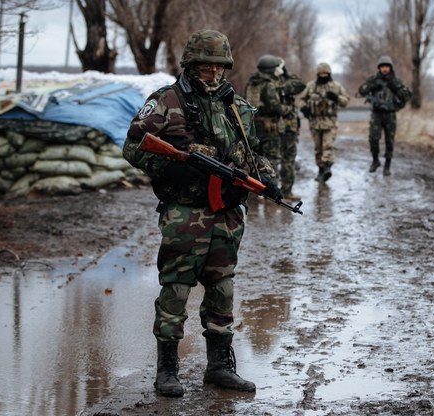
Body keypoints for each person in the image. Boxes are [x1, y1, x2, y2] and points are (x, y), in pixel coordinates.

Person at [122, 29, 282, 397]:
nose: (212, 74)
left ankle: (220, 366)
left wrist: (269, 179)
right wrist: (171, 167)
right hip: (184, 212)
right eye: (205, 67)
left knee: (222, 287)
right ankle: (167, 370)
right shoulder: (167, 100)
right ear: (190, 65)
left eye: (218, 67)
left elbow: (253, 154)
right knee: (176, 287)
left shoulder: (237, 107)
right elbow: (133, 147)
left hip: (226, 212)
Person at [358, 55, 412, 176]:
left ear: (390, 67)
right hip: (376, 114)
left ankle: (387, 166)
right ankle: (375, 161)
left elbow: (407, 95)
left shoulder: (396, 81)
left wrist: (396, 88)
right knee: (373, 138)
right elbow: (361, 90)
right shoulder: (373, 79)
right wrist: (372, 86)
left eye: (387, 66)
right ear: (379, 68)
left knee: (389, 141)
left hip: (390, 115)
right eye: (382, 67)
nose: (385, 69)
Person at [298, 62, 350, 182]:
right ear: (317, 74)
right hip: (315, 121)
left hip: (330, 121)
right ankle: (321, 169)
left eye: (325, 73)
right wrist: (304, 108)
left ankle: (327, 167)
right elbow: (301, 100)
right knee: (318, 148)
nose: (323, 75)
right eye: (321, 73)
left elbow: (346, 101)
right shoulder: (311, 86)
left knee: (328, 145)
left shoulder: (336, 86)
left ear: (329, 73)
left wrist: (336, 98)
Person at [244, 54, 286, 186]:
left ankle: (257, 188)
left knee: (257, 158)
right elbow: (275, 107)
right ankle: (271, 190)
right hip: (269, 127)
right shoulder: (268, 85)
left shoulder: (252, 83)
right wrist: (286, 109)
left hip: (254, 126)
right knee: (272, 159)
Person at [275, 57, 305, 200]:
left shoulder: (288, 81)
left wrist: (284, 74)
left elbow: (300, 84)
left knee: (289, 159)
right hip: (273, 127)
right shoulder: (265, 82)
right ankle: (271, 191)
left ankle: (287, 190)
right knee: (272, 159)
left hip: (290, 126)